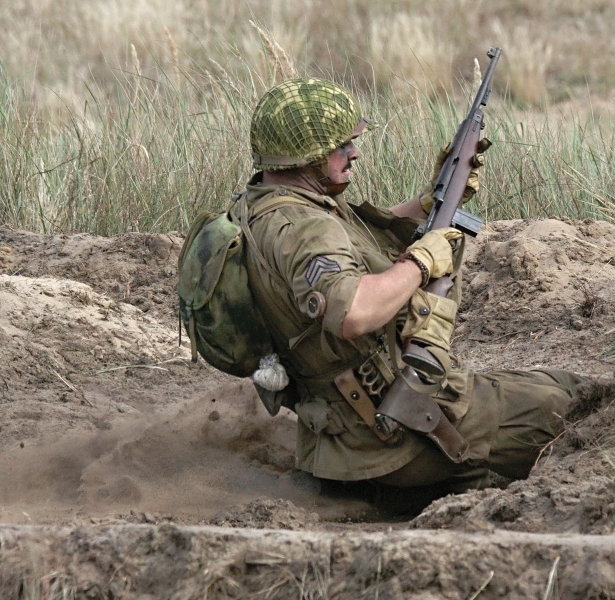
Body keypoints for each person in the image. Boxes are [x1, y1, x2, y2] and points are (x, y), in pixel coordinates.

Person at [230, 77, 582, 497]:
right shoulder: (305, 228)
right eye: (341, 145)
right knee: (577, 410)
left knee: (563, 383)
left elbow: (357, 246)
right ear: (307, 156)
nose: (353, 152)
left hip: (340, 439)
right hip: (399, 433)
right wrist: (421, 261)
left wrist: (429, 203)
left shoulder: (267, 206)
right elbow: (354, 312)